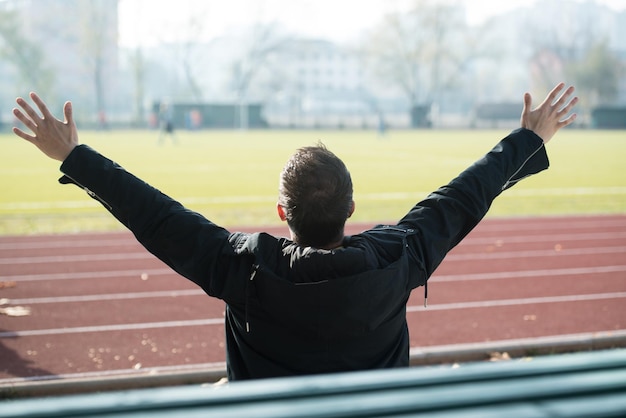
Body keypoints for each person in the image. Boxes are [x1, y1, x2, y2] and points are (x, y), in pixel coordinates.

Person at [12, 83, 578, 381]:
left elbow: (156, 217)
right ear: (352, 207)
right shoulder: (397, 257)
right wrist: (528, 140)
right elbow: (460, 198)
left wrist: (74, 155)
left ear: (282, 215)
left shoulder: (244, 266)